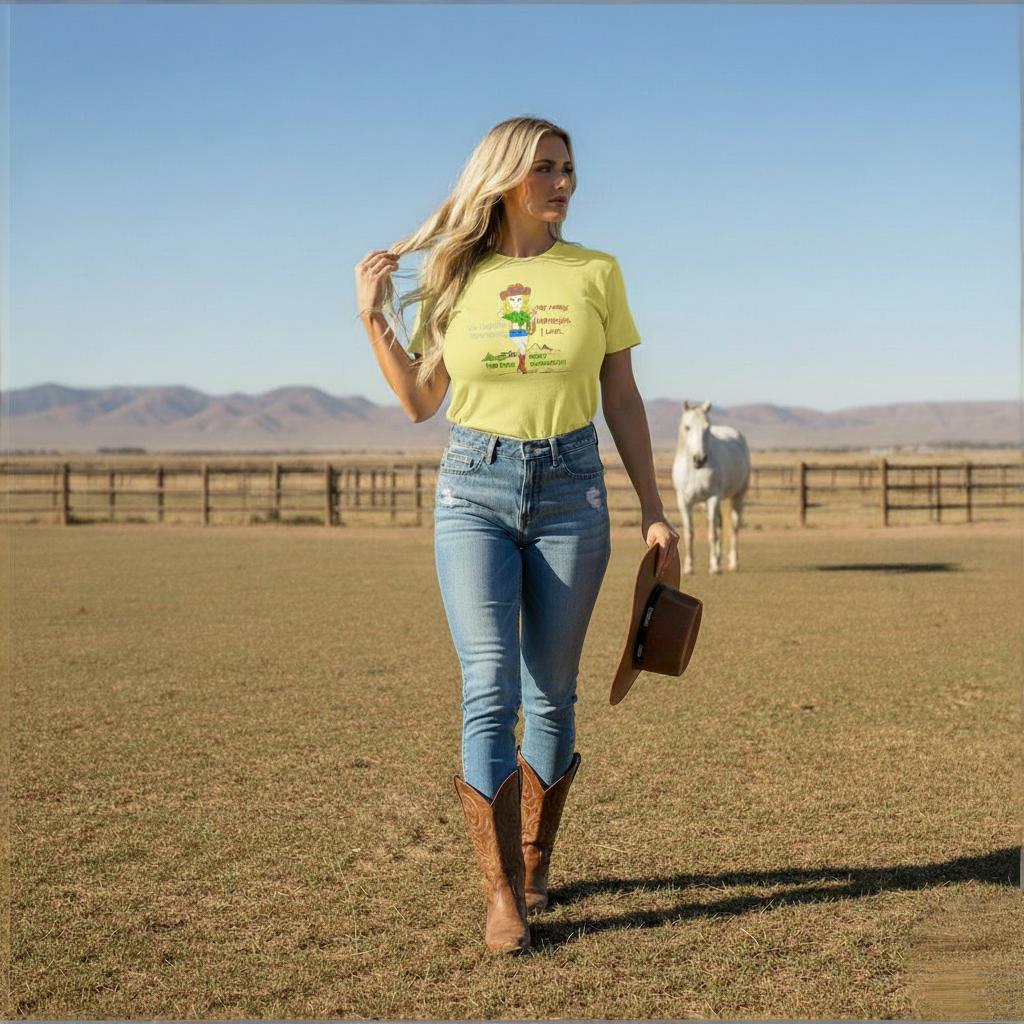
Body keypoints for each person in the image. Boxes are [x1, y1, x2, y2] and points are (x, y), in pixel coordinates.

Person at [354, 116, 679, 954]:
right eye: (545, 168)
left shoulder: (597, 273)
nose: (563, 182)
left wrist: (654, 503)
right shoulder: (458, 276)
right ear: (504, 180)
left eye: (570, 168)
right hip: (474, 487)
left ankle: (535, 858)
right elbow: (422, 401)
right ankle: (501, 894)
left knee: (552, 696)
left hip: (573, 491)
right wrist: (374, 320)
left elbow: (624, 399)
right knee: (488, 685)